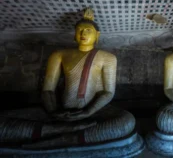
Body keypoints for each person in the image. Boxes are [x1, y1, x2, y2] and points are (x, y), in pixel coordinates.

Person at [0, 8, 135, 148]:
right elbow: (48, 90)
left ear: (97, 35)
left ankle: (52, 135)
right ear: (74, 35)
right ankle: (71, 133)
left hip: (94, 112)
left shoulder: (108, 58)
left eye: (88, 30)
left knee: (127, 121)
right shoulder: (59, 55)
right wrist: (54, 112)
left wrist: (88, 112)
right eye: (80, 30)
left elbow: (108, 92)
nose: (83, 33)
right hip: (60, 110)